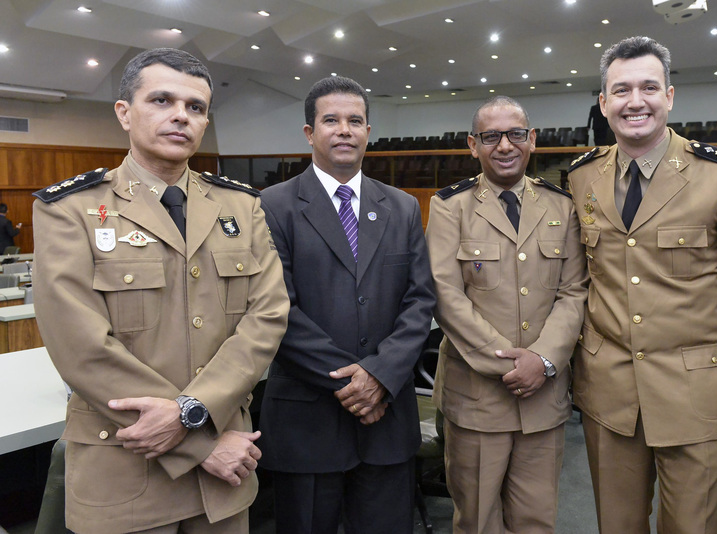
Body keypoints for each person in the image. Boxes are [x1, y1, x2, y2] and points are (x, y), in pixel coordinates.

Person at [32, 48, 289, 534]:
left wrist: (193, 412)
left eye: (196, 107)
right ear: (124, 113)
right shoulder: (71, 209)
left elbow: (267, 317)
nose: (181, 115)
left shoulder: (241, 206)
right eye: (161, 100)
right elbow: (81, 347)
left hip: (223, 486)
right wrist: (201, 441)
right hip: (127, 474)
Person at [567, 36, 717, 533]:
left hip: (697, 395)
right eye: (621, 90)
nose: (635, 101)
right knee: (617, 525)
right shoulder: (582, 176)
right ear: (604, 103)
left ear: (670, 96)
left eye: (648, 87)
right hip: (609, 393)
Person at [257, 76, 436, 534]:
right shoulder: (271, 206)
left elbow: (420, 301)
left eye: (355, 121)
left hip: (386, 419)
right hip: (308, 420)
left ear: (368, 132)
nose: (344, 130)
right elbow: (275, 308)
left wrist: (380, 376)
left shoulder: (401, 207)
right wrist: (354, 384)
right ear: (309, 132)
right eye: (330, 120)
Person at [425, 96, 588, 534]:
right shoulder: (450, 206)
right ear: (472, 145)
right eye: (491, 136)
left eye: (515, 134)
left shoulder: (562, 206)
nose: (504, 145)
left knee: (536, 520)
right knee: (477, 520)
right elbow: (445, 295)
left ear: (531, 139)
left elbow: (574, 292)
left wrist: (543, 360)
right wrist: (510, 363)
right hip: (476, 400)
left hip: (544, 399)